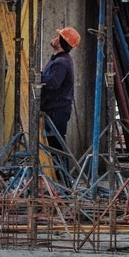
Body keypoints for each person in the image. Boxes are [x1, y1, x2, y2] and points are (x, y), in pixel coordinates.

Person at [39, 26, 81, 165]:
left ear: (62, 42)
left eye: (58, 37)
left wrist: (37, 78)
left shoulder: (61, 62)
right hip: (53, 109)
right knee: (53, 145)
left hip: (57, 111)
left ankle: (62, 176)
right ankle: (58, 175)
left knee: (56, 146)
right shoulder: (57, 60)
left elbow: (53, 83)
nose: (54, 38)